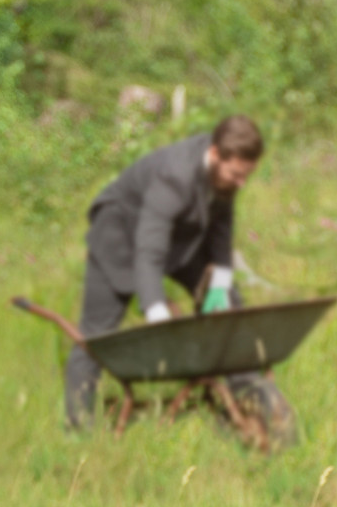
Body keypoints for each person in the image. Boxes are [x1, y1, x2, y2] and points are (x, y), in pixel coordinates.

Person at [64, 115, 288, 433]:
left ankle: (248, 396)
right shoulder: (174, 177)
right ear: (214, 154)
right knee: (95, 335)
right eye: (236, 175)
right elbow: (148, 252)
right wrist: (158, 315)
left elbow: (221, 235)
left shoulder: (223, 174)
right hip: (120, 237)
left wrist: (219, 291)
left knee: (230, 306)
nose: (241, 184)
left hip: (177, 240)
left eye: (246, 176)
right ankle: (78, 428)